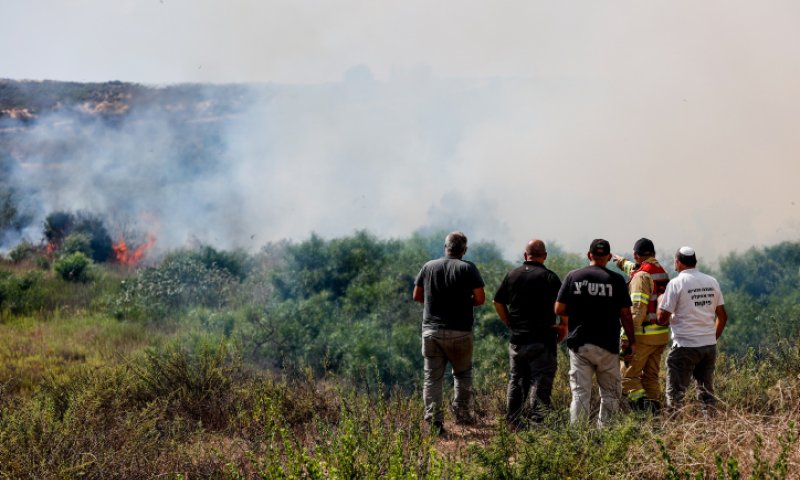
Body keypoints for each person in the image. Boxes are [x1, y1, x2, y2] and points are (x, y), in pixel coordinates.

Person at [555, 239, 636, 426]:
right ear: (608, 257)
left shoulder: (573, 276)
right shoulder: (616, 281)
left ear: (589, 255)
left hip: (580, 344)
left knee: (580, 394)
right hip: (607, 345)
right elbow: (626, 314)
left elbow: (559, 309)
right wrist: (632, 341)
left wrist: (580, 307)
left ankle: (577, 437)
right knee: (610, 394)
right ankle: (604, 439)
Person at [413, 231, 485, 434]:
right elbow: (480, 299)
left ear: (445, 247)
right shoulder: (468, 268)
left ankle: (435, 423)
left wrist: (435, 303)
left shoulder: (428, 266)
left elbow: (417, 295)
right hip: (460, 332)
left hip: (431, 331)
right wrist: (463, 302)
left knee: (432, 378)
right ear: (464, 250)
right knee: (462, 375)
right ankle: (462, 416)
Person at [493, 239, 565, 428]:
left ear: (525, 256)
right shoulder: (550, 277)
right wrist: (563, 326)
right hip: (542, 341)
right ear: (545, 256)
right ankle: (538, 423)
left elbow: (497, 301)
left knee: (516, 380)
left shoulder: (512, 275)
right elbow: (563, 306)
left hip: (517, 340)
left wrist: (508, 321)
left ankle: (512, 422)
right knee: (540, 381)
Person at [657, 246, 727, 414]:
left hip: (684, 346)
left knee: (675, 395)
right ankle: (712, 431)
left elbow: (661, 319)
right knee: (706, 394)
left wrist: (661, 301)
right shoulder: (712, 281)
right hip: (708, 347)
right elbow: (722, 317)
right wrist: (711, 338)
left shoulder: (676, 284)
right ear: (695, 262)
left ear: (678, 262)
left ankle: (674, 432)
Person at [612, 238, 670, 413]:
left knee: (627, 378)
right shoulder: (660, 271)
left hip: (644, 335)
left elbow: (636, 310)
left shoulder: (640, 277)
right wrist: (620, 261)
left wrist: (626, 338)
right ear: (653, 254)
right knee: (650, 378)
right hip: (660, 335)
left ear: (636, 255)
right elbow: (634, 268)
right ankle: (656, 419)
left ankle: (644, 414)